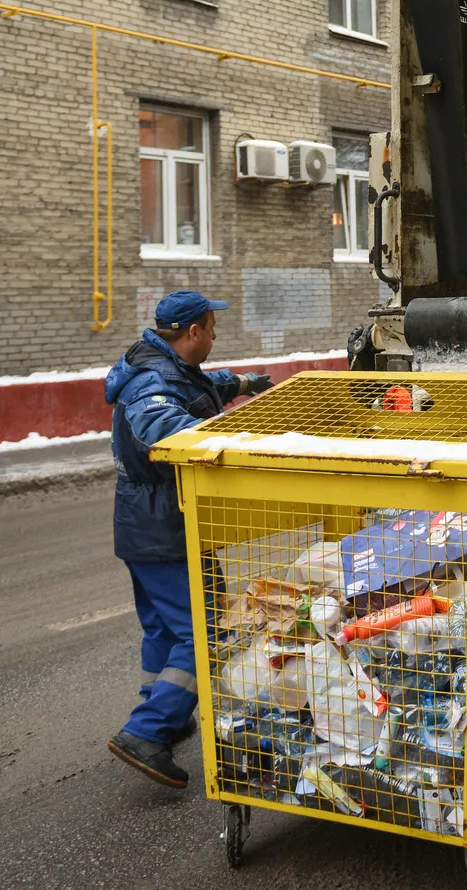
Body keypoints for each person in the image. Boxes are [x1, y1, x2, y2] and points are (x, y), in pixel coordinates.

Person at [103, 289, 274, 788]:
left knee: (164, 628)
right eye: (211, 327)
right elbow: (167, 427)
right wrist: (230, 432)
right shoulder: (150, 383)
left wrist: (241, 383)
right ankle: (146, 732)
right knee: (205, 628)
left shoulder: (164, 365)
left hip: (146, 523)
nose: (216, 334)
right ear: (192, 332)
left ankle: (167, 716)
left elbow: (198, 385)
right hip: (164, 524)